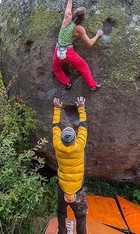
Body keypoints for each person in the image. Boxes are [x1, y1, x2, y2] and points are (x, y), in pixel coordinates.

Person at [52, 0, 103, 91]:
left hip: (58, 50)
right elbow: (89, 43)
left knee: (56, 69)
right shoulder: (79, 29)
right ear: (83, 18)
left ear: (74, 13)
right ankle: (92, 85)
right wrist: (97, 35)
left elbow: (69, 1)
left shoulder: (67, 18)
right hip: (69, 52)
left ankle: (66, 83)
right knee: (83, 66)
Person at [52, 96, 88, 234]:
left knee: (61, 212)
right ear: (74, 138)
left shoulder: (57, 144)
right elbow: (84, 126)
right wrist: (81, 107)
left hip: (62, 187)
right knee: (81, 216)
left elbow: (55, 126)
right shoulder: (79, 145)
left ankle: (62, 232)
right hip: (77, 190)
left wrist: (57, 109)